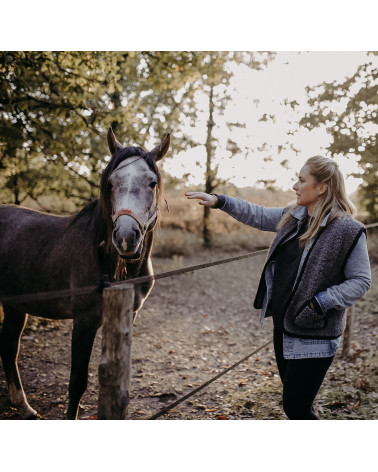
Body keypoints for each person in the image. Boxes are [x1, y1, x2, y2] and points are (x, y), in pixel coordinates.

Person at [185, 155, 371, 420]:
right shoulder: (293, 217)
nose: (295, 185)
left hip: (315, 332)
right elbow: (257, 214)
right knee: (297, 405)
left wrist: (320, 303)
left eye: (301, 180)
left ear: (321, 187)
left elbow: (361, 281)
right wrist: (220, 201)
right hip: (284, 326)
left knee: (295, 407)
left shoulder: (347, 230)